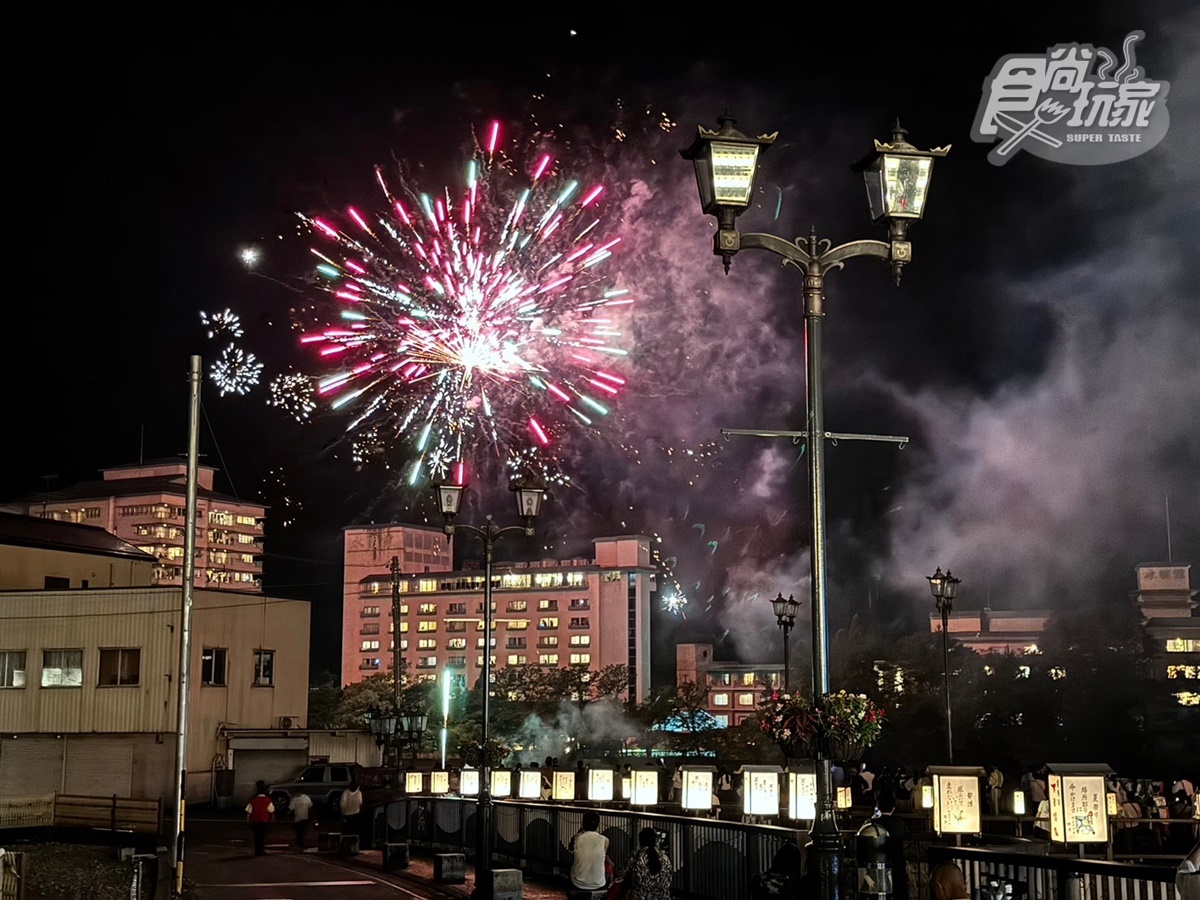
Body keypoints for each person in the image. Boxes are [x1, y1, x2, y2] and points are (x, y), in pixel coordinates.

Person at [619, 827, 672, 900]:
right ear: (655, 841)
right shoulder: (664, 857)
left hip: (642, 896)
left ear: (641, 841)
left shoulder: (637, 855)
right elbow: (669, 877)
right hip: (663, 896)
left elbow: (621, 873)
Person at [875, 788, 909, 900]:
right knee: (899, 891)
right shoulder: (900, 822)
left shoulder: (875, 823)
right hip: (898, 861)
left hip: (879, 862)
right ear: (894, 807)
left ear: (878, 806)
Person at [570, 809, 610, 893]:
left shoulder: (577, 838)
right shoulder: (605, 840)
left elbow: (571, 848)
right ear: (598, 824)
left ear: (583, 823)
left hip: (578, 883)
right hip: (599, 883)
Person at [245, 781, 275, 856]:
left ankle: (257, 850)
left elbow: (249, 812)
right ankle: (261, 850)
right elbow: (271, 811)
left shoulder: (253, 800)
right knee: (262, 836)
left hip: (254, 821)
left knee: (256, 836)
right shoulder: (268, 800)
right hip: (264, 821)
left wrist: (248, 821)